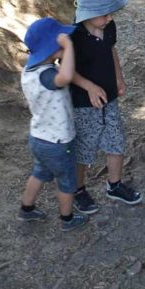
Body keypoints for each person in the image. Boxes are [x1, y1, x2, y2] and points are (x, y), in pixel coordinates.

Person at [70, 0, 142, 211]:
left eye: (111, 13)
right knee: (83, 146)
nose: (110, 18)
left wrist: (119, 78)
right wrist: (89, 86)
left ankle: (114, 185)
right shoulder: (74, 37)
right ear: (88, 14)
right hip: (83, 103)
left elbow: (112, 51)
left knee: (116, 139)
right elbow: (66, 71)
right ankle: (78, 190)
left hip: (109, 97)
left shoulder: (109, 28)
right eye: (104, 14)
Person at [18, 17, 88, 231]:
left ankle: (26, 209)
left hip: (39, 138)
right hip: (58, 142)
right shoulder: (47, 76)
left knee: (39, 173)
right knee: (67, 182)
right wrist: (68, 47)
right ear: (52, 47)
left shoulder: (29, 72)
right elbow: (65, 76)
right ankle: (67, 220)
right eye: (59, 41)